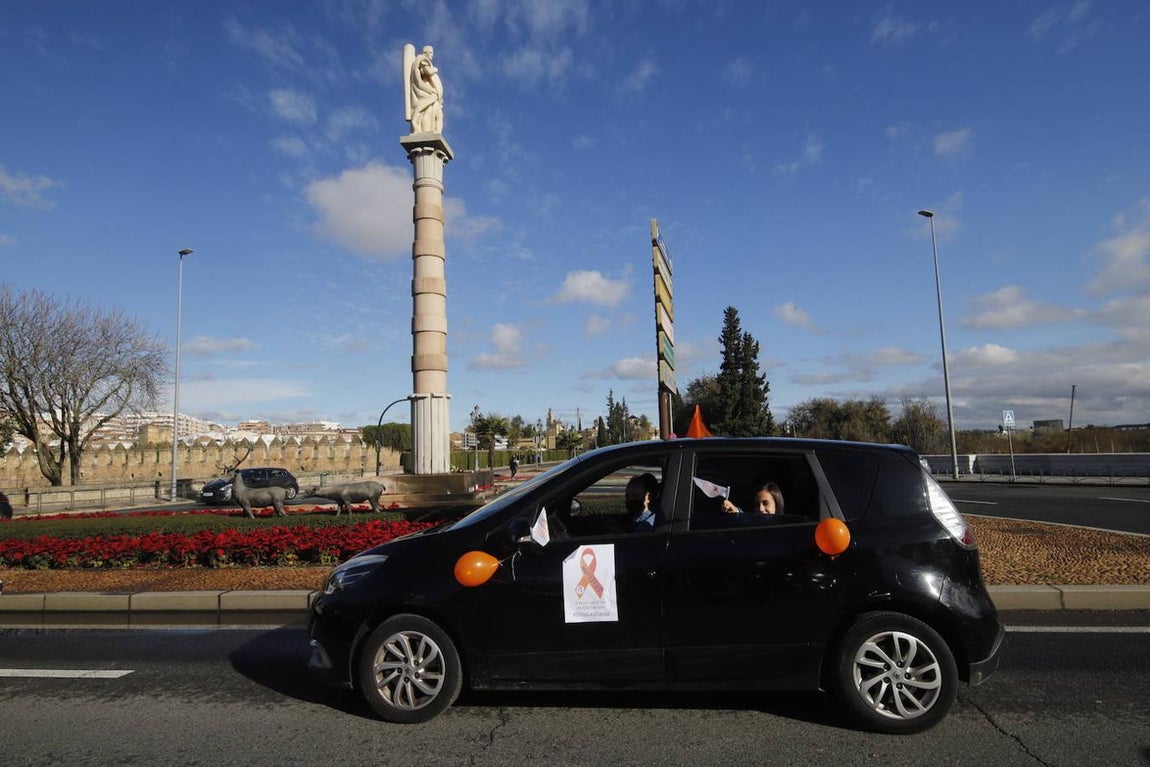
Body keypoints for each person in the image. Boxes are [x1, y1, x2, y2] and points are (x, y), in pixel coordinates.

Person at [408, 45, 444, 133]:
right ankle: (425, 130)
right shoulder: (422, 59)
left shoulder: (422, 60)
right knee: (428, 112)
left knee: (437, 115)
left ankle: (435, 132)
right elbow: (428, 71)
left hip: (431, 93)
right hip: (427, 93)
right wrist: (436, 69)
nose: (432, 55)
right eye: (430, 53)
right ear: (425, 53)